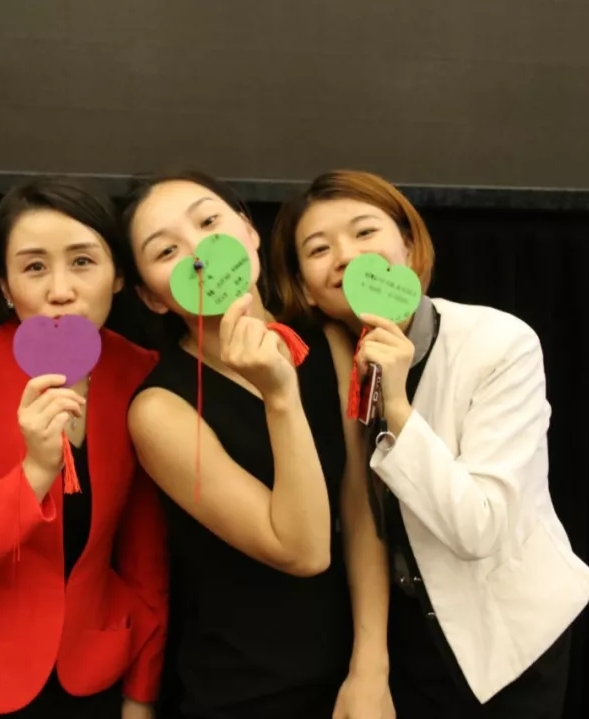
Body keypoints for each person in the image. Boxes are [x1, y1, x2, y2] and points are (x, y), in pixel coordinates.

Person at [268, 169, 589, 718]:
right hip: (401, 639)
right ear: (305, 286)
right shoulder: (315, 365)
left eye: (365, 232)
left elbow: (478, 528)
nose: (347, 256)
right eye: (319, 249)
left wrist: (398, 407)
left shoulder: (499, 343)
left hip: (507, 638)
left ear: (407, 244)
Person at [121, 171, 391, 718]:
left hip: (355, 679)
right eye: (167, 250)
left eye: (209, 222)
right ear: (151, 296)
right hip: (243, 689)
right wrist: (280, 395)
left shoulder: (332, 343)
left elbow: (361, 507)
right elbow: (304, 550)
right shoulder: (159, 410)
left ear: (249, 232)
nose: (200, 254)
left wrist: (371, 666)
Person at [0, 177, 169, 719]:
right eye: (34, 267)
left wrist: (142, 693)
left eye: (83, 262)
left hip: (91, 673)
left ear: (118, 275)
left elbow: (147, 558)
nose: (60, 290)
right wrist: (35, 473)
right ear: (5, 285)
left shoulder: (140, 373)